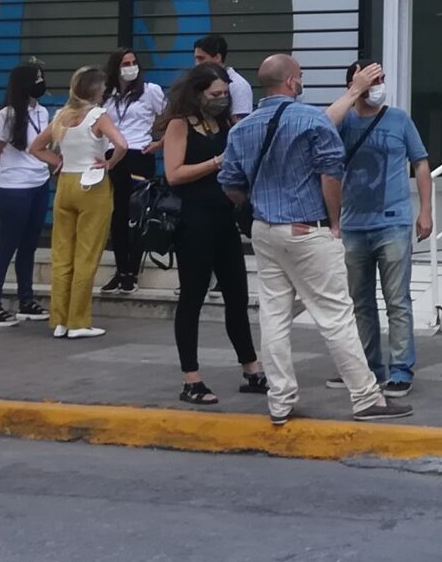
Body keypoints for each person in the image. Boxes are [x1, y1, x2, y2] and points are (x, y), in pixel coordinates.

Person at [218, 55, 412, 425]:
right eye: (301, 75)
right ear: (291, 82)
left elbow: (230, 184)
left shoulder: (242, 129)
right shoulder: (310, 119)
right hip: (307, 228)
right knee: (336, 315)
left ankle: (280, 402)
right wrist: (335, 223)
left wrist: (259, 203)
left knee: (273, 318)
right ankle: (366, 397)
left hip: (264, 230)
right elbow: (330, 174)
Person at [156, 65, 265, 404]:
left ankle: (251, 367)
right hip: (193, 220)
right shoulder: (180, 125)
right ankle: (191, 377)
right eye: (214, 94)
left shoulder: (226, 123)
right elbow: (174, 174)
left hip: (224, 218)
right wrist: (217, 162)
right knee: (192, 297)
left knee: (237, 295)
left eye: (225, 94)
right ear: (198, 93)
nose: (221, 99)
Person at [326, 61, 432, 396]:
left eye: (381, 78)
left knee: (397, 300)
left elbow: (420, 163)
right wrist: (334, 221)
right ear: (354, 84)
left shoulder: (399, 119)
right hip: (353, 225)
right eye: (372, 80)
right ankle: (367, 367)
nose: (379, 85)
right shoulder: (343, 121)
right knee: (360, 302)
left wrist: (425, 211)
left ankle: (401, 369)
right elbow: (323, 139)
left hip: (393, 223)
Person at [34, 67, 125, 339]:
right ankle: (78, 321)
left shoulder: (61, 116)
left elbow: (35, 147)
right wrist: (110, 163)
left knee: (62, 255)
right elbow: (121, 144)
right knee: (87, 254)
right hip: (92, 184)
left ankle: (60, 320)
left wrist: (58, 162)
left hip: (66, 184)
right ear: (96, 89)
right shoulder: (98, 115)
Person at [0, 61, 53, 326]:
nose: (41, 82)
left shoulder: (42, 112)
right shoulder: (5, 117)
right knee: (7, 244)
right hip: (13, 188)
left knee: (29, 245)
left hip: (39, 182)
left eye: (42, 77)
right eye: (36, 78)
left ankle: (26, 300)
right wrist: (2, 176)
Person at [100, 47, 166, 293]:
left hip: (140, 153)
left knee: (137, 214)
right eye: (125, 63)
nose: (130, 67)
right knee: (117, 214)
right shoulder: (106, 94)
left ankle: (133, 272)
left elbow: (172, 118)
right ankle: (120, 269)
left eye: (133, 62)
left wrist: (159, 143)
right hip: (113, 155)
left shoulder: (150, 91)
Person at [192, 34, 255, 123]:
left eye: (201, 58)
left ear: (218, 57)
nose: (197, 63)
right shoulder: (196, 81)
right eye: (196, 58)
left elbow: (241, 125)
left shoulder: (238, 85)